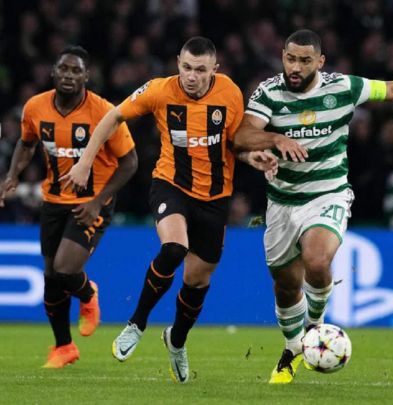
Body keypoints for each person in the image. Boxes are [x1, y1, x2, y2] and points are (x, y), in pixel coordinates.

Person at [233, 29, 393, 384]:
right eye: (290, 59)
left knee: (317, 261)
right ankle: (292, 348)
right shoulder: (269, 92)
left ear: (320, 62)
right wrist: (275, 138)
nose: (296, 67)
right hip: (282, 201)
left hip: (328, 193)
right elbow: (242, 135)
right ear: (283, 56)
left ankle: (315, 327)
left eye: (305, 60)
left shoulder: (343, 87)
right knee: (286, 286)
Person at [61, 37, 278, 383]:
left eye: (200, 70)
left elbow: (235, 144)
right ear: (178, 62)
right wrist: (86, 161)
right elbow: (113, 115)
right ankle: (137, 323)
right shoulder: (160, 90)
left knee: (197, 280)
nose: (192, 76)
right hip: (171, 185)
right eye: (186, 67)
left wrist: (254, 157)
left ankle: (176, 339)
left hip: (215, 198)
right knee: (174, 247)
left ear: (215, 69)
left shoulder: (230, 93)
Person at [0, 45, 137, 368]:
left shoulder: (104, 112)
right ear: (53, 72)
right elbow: (26, 143)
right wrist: (12, 175)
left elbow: (130, 162)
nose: (69, 75)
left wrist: (98, 202)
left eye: (76, 70)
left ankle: (88, 294)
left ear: (86, 77)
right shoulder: (35, 107)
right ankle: (64, 347)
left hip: (90, 203)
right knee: (51, 278)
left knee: (64, 269)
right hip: (53, 200)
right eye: (64, 69)